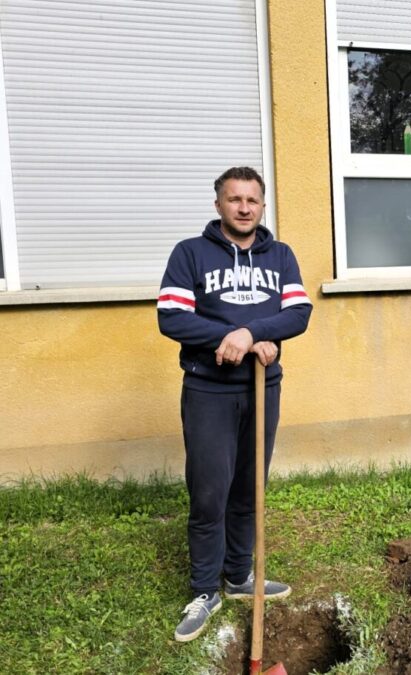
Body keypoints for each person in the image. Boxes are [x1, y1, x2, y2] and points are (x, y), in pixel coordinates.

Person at [158, 166, 313, 641]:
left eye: (252, 200)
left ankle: (239, 575)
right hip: (209, 390)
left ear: (262, 206)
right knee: (209, 492)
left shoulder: (280, 255)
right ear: (219, 205)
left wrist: (254, 333)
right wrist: (238, 338)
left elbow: (299, 312)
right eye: (234, 199)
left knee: (250, 488)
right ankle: (205, 588)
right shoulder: (190, 253)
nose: (244, 207)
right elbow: (171, 317)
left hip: (263, 388)